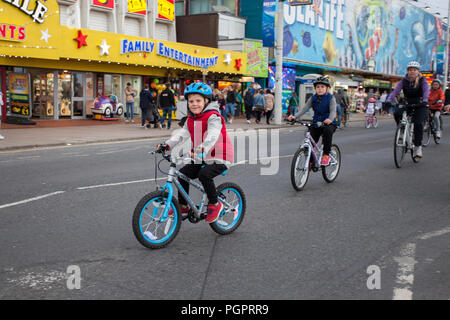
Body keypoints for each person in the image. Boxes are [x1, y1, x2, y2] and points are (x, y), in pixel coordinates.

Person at [156, 82, 234, 223]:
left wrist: (202, 148)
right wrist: (167, 145)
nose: (194, 104)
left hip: (220, 155)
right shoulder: (191, 119)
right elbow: (181, 135)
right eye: (191, 101)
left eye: (198, 100)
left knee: (204, 175)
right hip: (201, 156)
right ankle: (183, 206)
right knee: (182, 175)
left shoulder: (213, 116)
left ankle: (215, 204)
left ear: (206, 101)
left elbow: (213, 135)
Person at [288, 76, 337, 166]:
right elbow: (304, 109)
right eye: (318, 87)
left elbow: (333, 111)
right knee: (310, 141)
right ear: (315, 88)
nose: (320, 89)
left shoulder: (331, 98)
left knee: (327, 132)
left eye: (322, 87)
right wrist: (294, 116)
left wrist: (330, 119)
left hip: (328, 123)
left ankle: (326, 155)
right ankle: (311, 161)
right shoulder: (313, 98)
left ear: (327, 88)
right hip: (316, 123)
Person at [387, 60, 429, 158]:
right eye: (410, 70)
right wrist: (389, 100)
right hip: (407, 103)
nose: (412, 72)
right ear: (408, 71)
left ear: (418, 71)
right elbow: (395, 91)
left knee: (418, 123)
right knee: (397, 113)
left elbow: (426, 91)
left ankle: (418, 147)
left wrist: (425, 100)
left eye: (414, 70)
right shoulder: (403, 81)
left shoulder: (423, 81)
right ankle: (401, 130)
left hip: (419, 104)